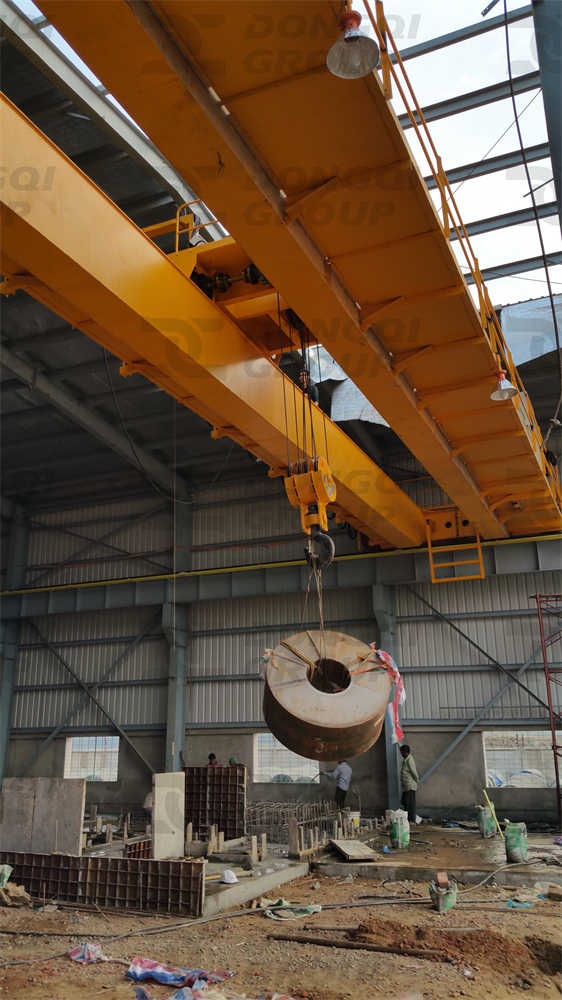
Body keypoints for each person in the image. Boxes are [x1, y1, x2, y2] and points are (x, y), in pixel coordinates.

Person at [400, 744, 420, 823]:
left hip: (410, 786)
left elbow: (413, 772)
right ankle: (408, 819)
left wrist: (417, 780)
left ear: (406, 752)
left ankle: (411, 820)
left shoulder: (409, 760)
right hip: (406, 786)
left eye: (402, 752)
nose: (401, 754)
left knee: (409, 804)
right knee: (405, 802)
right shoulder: (406, 760)